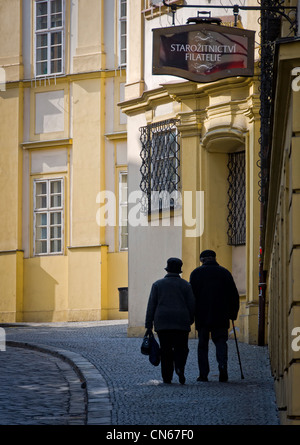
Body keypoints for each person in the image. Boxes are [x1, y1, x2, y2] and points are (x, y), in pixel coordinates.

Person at [189, 250, 240, 383]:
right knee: (221, 343)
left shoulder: (196, 273)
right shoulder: (224, 272)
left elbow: (191, 297)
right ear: (214, 259)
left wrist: (191, 315)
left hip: (202, 315)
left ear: (202, 260)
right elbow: (233, 295)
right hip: (221, 315)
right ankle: (223, 367)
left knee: (202, 345)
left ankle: (203, 374)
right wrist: (233, 313)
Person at [145, 258, 195, 385]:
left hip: (163, 322)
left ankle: (167, 377)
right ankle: (179, 367)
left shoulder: (157, 284)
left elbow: (151, 305)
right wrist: (190, 319)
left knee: (165, 349)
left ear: (167, 269)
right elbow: (191, 304)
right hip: (181, 321)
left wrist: (148, 324)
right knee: (182, 348)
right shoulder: (186, 285)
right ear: (179, 270)